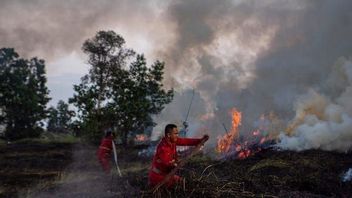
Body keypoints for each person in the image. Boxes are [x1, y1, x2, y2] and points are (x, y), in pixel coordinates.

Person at [148, 124, 209, 188]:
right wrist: (175, 164)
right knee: (181, 184)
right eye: (175, 134)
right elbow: (167, 164)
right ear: (169, 135)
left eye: (177, 133)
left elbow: (186, 141)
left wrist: (200, 140)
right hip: (158, 178)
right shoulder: (163, 148)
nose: (177, 136)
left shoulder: (172, 141)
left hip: (166, 175)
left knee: (182, 181)